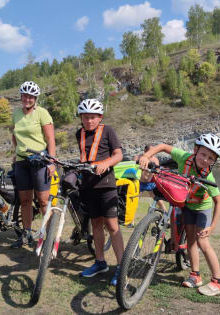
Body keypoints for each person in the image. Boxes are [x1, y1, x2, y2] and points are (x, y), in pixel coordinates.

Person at [139, 133, 220, 296]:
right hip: (187, 205)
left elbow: (219, 202)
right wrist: (146, 156)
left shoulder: (209, 176)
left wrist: (213, 226)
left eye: (211, 158)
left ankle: (218, 282)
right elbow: (163, 146)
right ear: (195, 150)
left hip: (202, 208)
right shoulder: (184, 157)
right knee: (191, 241)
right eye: (203, 154)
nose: (206, 160)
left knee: (203, 242)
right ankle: (195, 275)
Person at [76, 99, 124, 286]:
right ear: (81, 117)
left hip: (106, 185)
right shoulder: (78, 133)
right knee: (95, 225)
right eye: (85, 117)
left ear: (100, 117)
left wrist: (105, 164)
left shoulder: (108, 131)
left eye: (93, 117)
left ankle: (121, 266)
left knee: (112, 226)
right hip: (88, 186)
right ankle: (100, 262)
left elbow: (118, 154)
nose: (89, 121)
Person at [10, 81, 56, 248]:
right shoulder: (16, 113)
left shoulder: (42, 113)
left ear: (35, 98)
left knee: (43, 201)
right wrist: (16, 153)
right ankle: (26, 234)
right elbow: (14, 134)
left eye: (30, 96)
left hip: (39, 161)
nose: (27, 99)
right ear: (21, 96)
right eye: (24, 96)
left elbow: (51, 139)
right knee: (25, 200)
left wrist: (51, 162)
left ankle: (48, 236)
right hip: (22, 162)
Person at [133, 144, 167, 214]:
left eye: (153, 151)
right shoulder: (138, 157)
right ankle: (131, 222)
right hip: (140, 183)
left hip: (150, 183)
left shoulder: (155, 159)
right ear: (145, 151)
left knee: (159, 201)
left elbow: (157, 171)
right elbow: (133, 168)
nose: (152, 153)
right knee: (134, 202)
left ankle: (166, 215)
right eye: (150, 151)